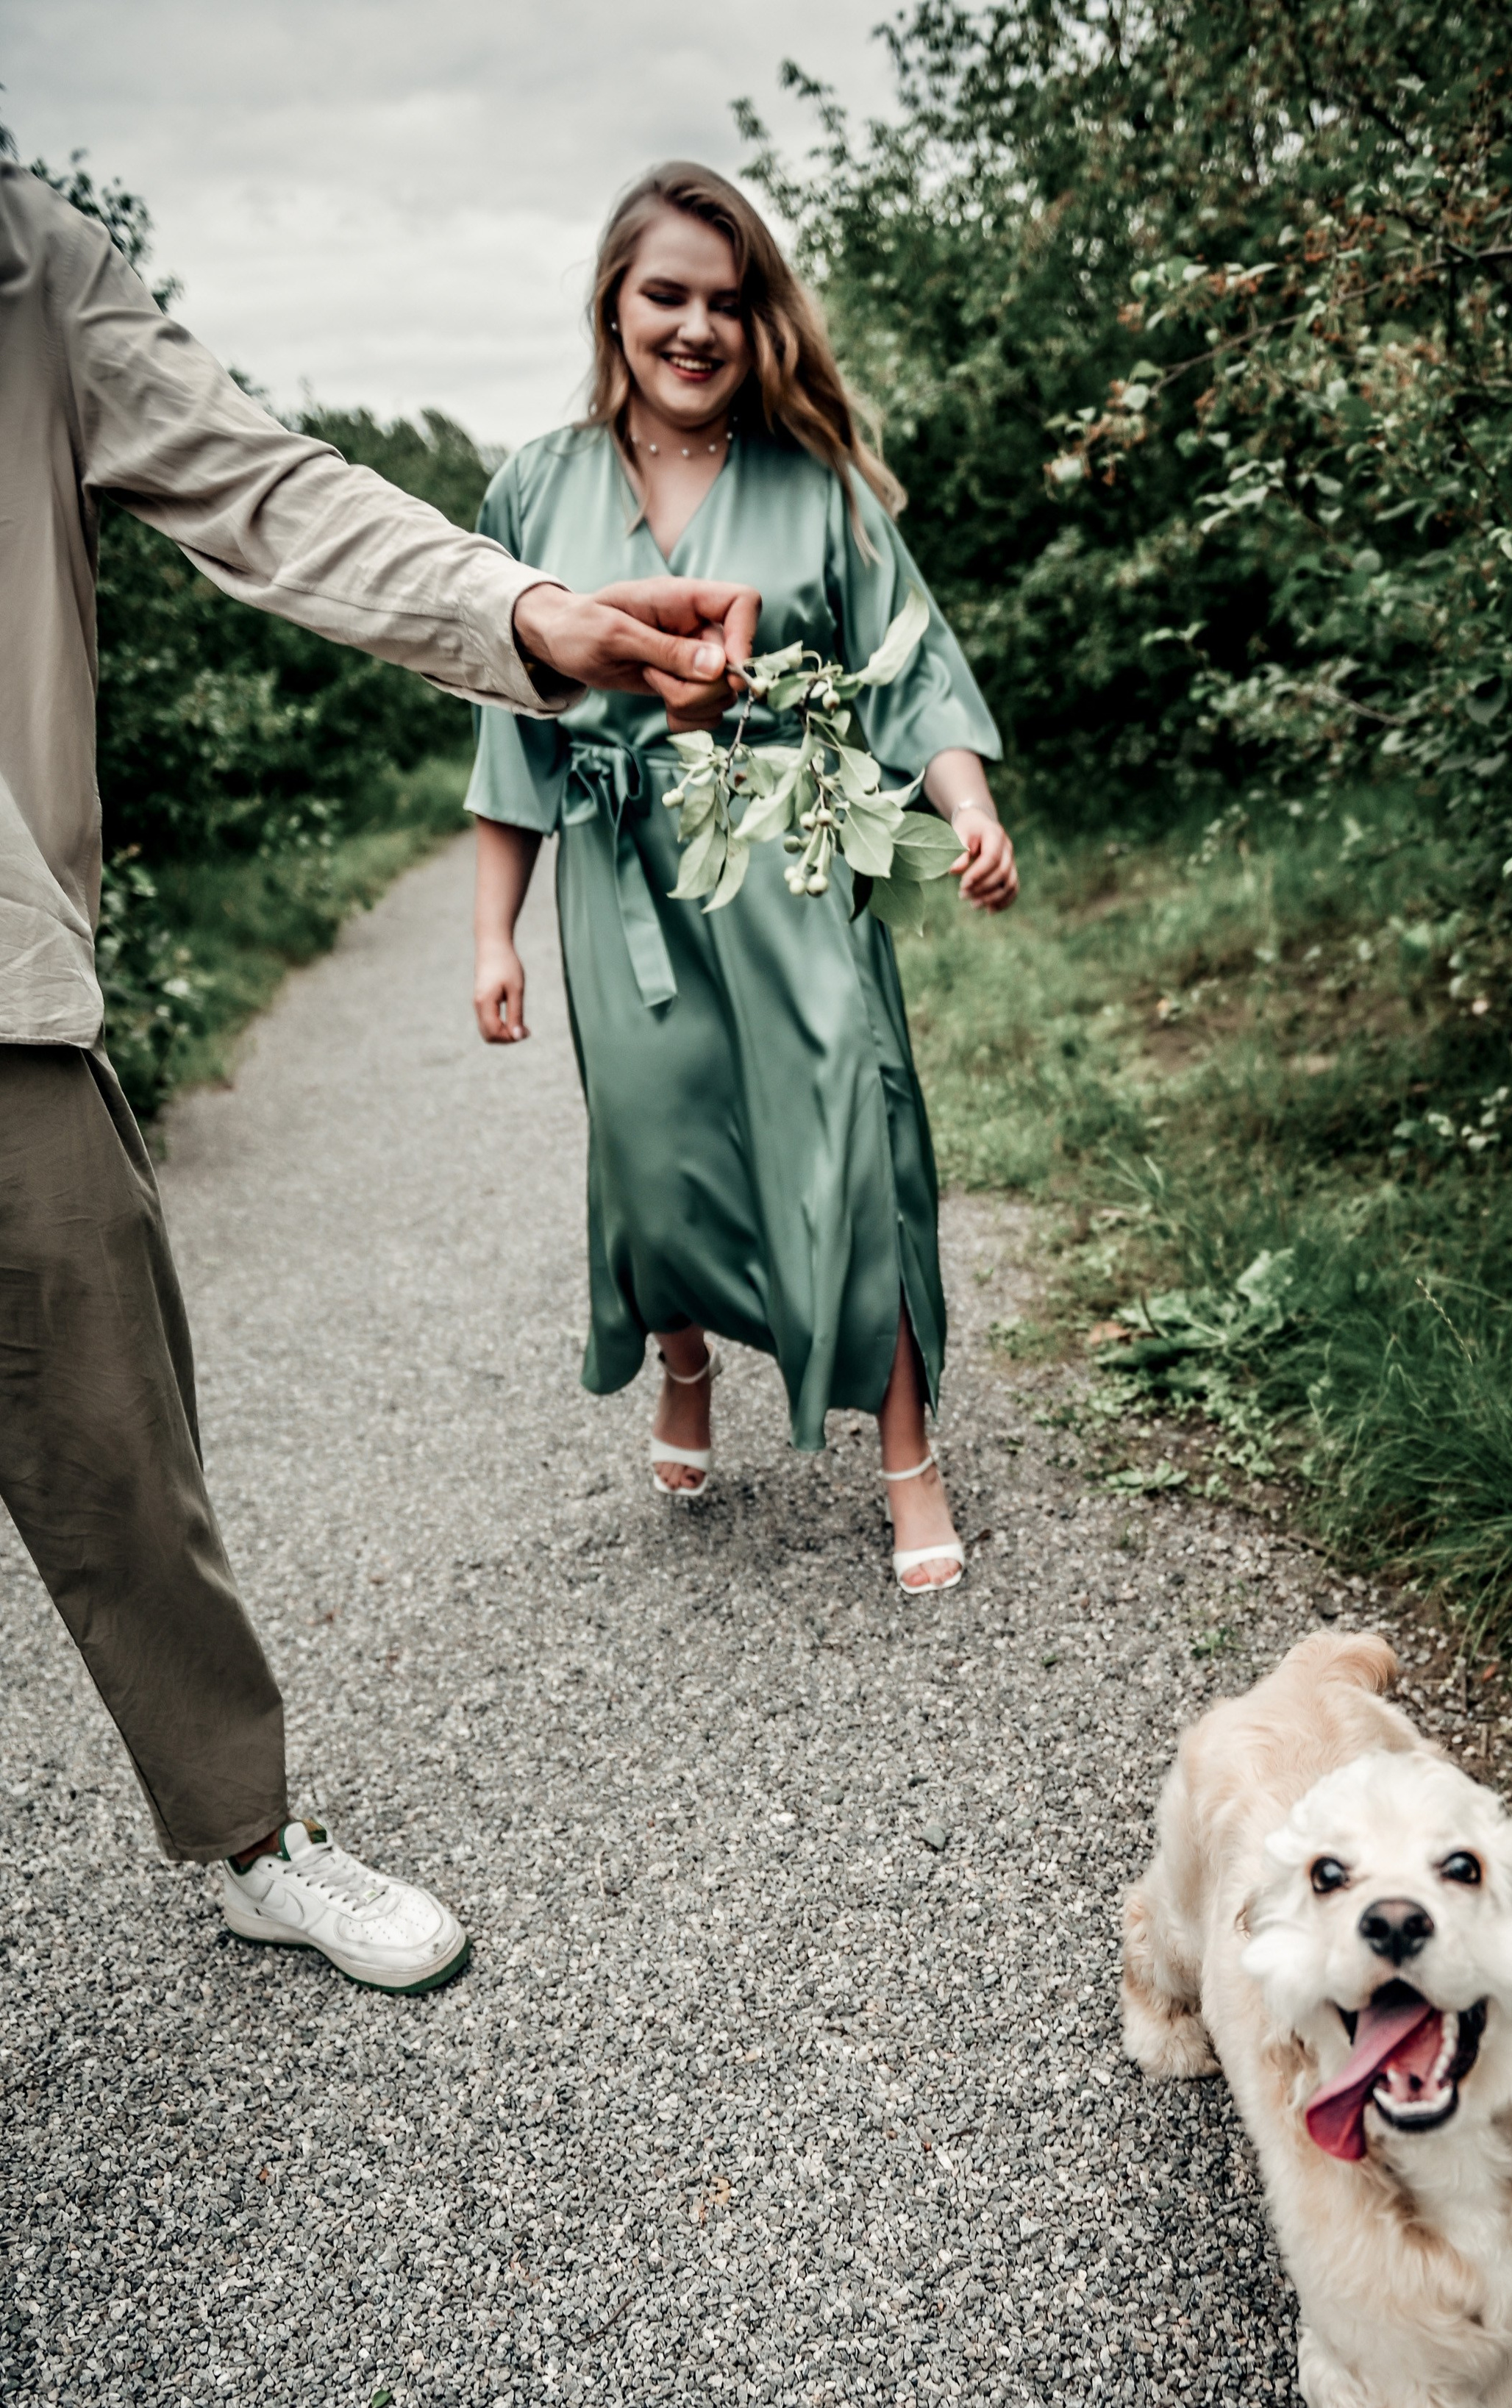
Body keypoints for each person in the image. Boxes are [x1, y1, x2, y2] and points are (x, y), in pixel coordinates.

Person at [0, 157, 762, 1989]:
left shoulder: (25, 255)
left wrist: (526, 621)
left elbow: (266, 488)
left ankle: (250, 1835)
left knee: (115, 1444)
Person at [468, 163, 1017, 1597]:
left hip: (794, 851)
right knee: (655, 1162)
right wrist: (493, 935)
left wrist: (964, 805)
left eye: (726, 300)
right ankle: (686, 1354)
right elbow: (505, 721)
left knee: (846, 1129)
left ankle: (904, 1454)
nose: (696, 328)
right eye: (667, 295)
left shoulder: (814, 487)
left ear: (758, 317)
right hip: (622, 875)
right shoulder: (535, 484)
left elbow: (916, 665)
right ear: (614, 304)